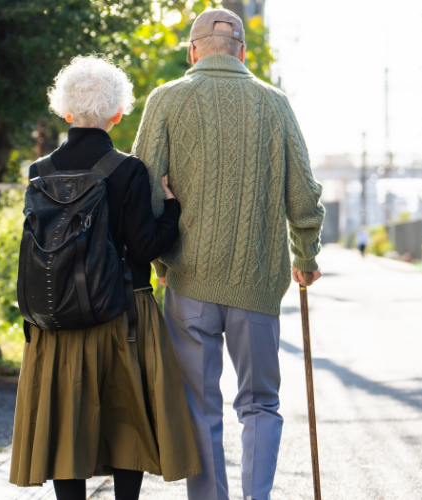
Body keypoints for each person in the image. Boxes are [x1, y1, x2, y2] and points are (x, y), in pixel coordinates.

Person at [132, 8, 325, 500]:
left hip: (188, 280)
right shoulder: (274, 103)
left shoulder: (166, 100)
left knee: (199, 403)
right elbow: (302, 194)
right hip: (257, 284)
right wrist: (305, 255)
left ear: (193, 51)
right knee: (260, 402)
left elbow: (144, 192)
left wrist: (158, 260)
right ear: (242, 51)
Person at [10, 55, 202, 500]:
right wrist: (172, 210)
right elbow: (147, 247)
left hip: (55, 318)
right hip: (122, 313)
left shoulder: (40, 172)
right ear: (117, 114)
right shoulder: (128, 169)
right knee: (126, 418)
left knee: (65, 422)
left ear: (65, 111)